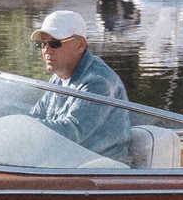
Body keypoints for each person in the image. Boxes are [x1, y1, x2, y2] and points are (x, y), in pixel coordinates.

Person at [28, 9, 131, 161]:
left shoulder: (99, 82)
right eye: (42, 44)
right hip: (70, 162)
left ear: (81, 45)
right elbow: (36, 114)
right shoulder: (59, 77)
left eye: (55, 43)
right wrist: (5, 119)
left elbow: (72, 132)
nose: (47, 50)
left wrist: (26, 127)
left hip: (101, 170)